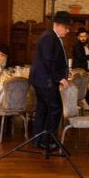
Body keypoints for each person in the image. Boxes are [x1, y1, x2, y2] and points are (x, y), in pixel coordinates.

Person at [29, 11, 72, 150]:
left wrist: (65, 72)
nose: (68, 30)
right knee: (55, 108)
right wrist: (60, 78)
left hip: (42, 80)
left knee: (42, 109)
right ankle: (48, 141)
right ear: (57, 25)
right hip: (45, 81)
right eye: (66, 27)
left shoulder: (52, 36)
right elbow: (48, 61)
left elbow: (55, 60)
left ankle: (38, 140)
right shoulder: (49, 37)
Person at [71, 27, 89, 111]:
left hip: (85, 72)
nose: (83, 38)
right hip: (79, 72)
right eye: (81, 36)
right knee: (82, 91)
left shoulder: (87, 46)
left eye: (84, 36)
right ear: (78, 37)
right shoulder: (76, 46)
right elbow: (80, 57)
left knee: (84, 90)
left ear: (87, 36)